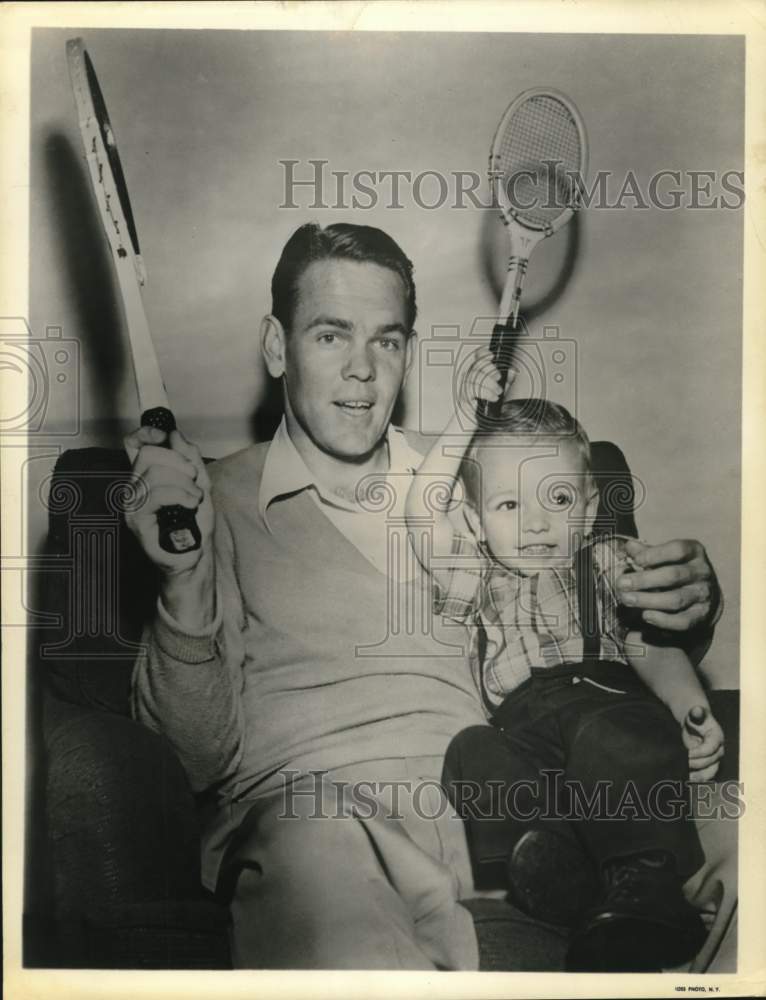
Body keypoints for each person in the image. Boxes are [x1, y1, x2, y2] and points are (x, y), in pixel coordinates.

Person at [125, 222, 722, 970]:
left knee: (737, 829)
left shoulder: (483, 480)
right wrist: (183, 577)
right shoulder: (206, 502)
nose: (363, 372)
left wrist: (688, 601)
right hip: (320, 822)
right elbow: (187, 762)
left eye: (388, 340)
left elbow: (589, 603)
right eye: (331, 336)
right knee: (320, 851)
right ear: (277, 347)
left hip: (505, 815)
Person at [404, 346, 725, 971]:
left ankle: (646, 884)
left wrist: (690, 705)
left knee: (613, 737)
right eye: (508, 505)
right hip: (523, 730)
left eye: (556, 499)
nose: (534, 524)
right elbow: (423, 511)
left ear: (585, 508)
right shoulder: (474, 574)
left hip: (602, 701)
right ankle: (563, 869)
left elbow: (650, 642)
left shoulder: (604, 559)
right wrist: (467, 416)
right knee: (470, 751)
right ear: (474, 520)